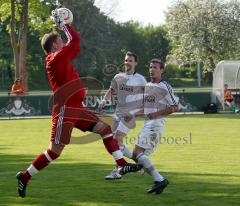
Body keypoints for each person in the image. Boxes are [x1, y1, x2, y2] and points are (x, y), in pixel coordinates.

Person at [16, 9, 140, 198]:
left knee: (105, 129)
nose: (63, 42)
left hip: (76, 108)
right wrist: (64, 25)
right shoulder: (54, 59)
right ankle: (24, 176)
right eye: (60, 40)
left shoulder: (59, 58)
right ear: (55, 45)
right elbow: (75, 41)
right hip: (65, 109)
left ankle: (121, 165)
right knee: (55, 151)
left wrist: (63, 25)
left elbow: (73, 43)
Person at [125, 59, 178, 194]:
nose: (152, 69)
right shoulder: (147, 85)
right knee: (139, 157)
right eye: (150, 67)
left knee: (137, 154)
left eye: (155, 67)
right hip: (148, 124)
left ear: (162, 71)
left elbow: (174, 107)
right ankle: (158, 180)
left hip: (156, 124)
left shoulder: (164, 86)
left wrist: (155, 114)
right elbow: (145, 109)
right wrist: (131, 115)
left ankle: (159, 180)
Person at [99, 51, 147, 180]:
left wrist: (138, 112)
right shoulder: (118, 77)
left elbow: (147, 97)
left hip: (130, 115)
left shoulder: (140, 79)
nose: (127, 62)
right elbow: (111, 91)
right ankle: (134, 164)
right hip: (118, 114)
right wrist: (104, 100)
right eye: (126, 60)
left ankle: (120, 169)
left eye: (130, 60)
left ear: (135, 63)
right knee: (113, 143)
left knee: (116, 138)